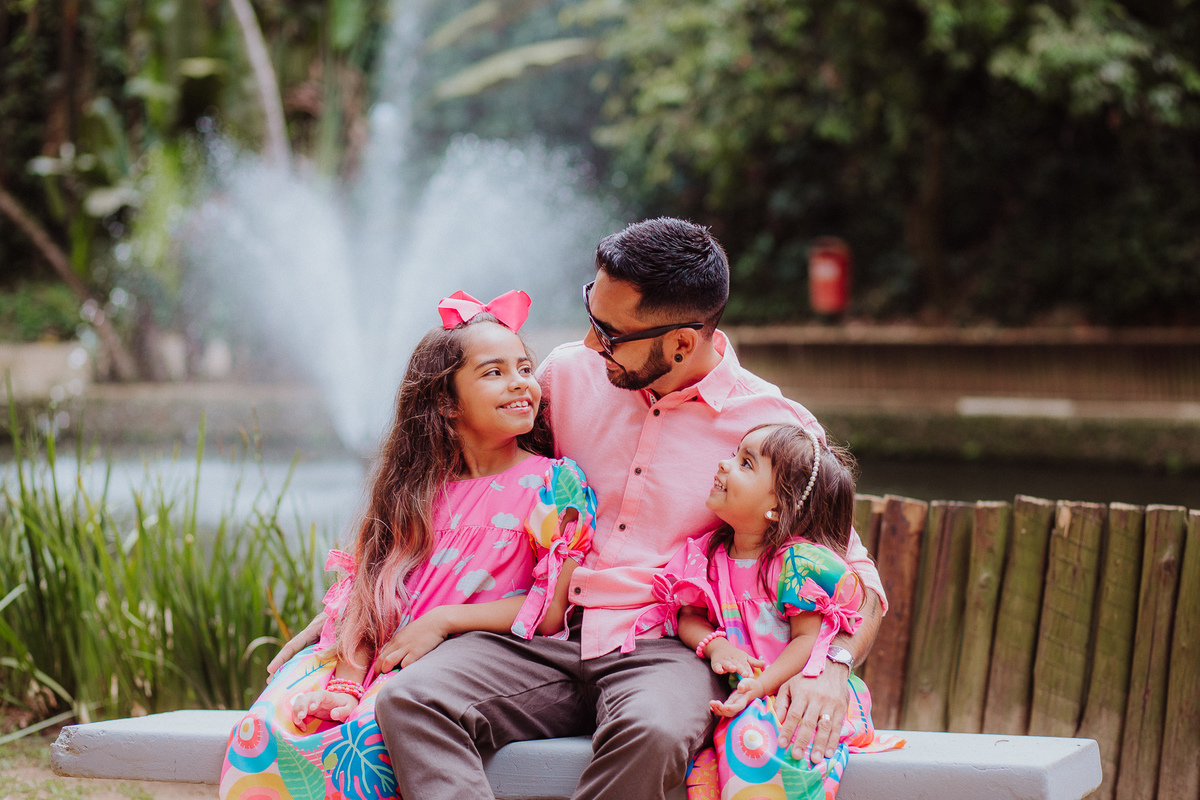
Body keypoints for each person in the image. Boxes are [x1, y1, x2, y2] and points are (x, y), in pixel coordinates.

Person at [272, 218, 889, 800]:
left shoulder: (774, 431)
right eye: (592, 311)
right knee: (410, 701)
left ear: (680, 343)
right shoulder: (567, 375)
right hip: (543, 631)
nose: (593, 341)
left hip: (667, 642)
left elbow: (855, 579)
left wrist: (828, 665)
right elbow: (462, 480)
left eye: (613, 334)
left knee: (652, 732)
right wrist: (353, 611)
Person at [221, 290, 597, 800]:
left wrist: (441, 622)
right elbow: (369, 592)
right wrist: (346, 681)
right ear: (445, 401)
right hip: (386, 658)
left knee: (364, 740)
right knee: (268, 728)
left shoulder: (557, 485)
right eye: (494, 373)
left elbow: (549, 613)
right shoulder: (417, 490)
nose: (521, 384)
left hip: (474, 667)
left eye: (525, 368)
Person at [636, 423, 903, 800]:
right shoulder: (709, 556)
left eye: (745, 464)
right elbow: (689, 617)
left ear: (777, 508)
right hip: (747, 691)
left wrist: (763, 685)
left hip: (793, 685)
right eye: (734, 455)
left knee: (754, 742)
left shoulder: (793, 566)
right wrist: (716, 646)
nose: (724, 465)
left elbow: (807, 640)